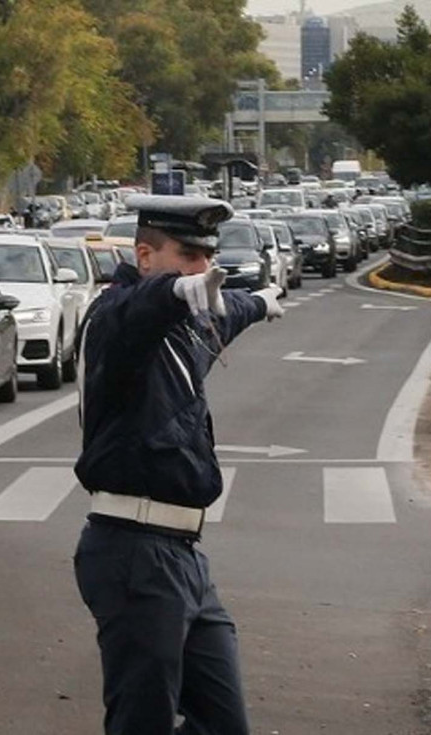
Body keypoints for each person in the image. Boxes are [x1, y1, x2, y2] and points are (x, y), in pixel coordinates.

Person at [73, 194, 284, 735]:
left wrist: (257, 303)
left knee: (222, 723)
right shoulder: (116, 321)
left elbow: (224, 310)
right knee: (141, 722)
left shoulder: (189, 325)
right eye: (188, 255)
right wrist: (173, 291)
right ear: (145, 256)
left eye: (208, 258)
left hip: (184, 555)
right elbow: (135, 312)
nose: (203, 269)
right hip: (132, 550)